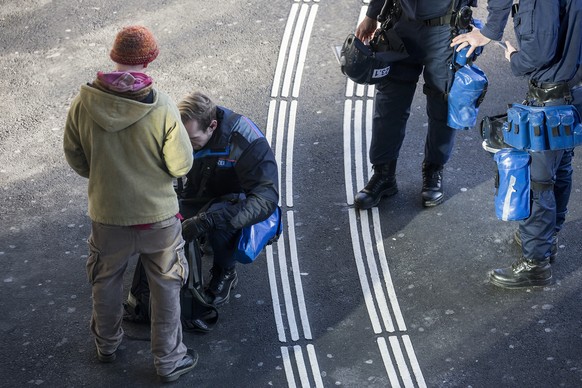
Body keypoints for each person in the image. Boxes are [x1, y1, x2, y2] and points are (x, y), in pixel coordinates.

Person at [63, 25, 198, 382]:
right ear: (150, 59)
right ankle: (168, 360)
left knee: (105, 281)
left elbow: (75, 157)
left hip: (108, 216)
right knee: (167, 285)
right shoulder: (163, 106)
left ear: (114, 56)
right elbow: (181, 164)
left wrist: (105, 174)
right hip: (158, 220)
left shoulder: (84, 102)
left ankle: (106, 345)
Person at [451, 0, 582, 288]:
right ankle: (547, 238)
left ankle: (535, 263)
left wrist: (515, 60)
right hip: (573, 90)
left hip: (551, 97)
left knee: (538, 183)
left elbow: (540, 51)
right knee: (560, 169)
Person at [353, 0, 477, 210]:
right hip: (401, 24)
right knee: (389, 105)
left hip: (446, 30)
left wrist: (490, 31)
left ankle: (433, 171)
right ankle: (383, 175)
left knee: (442, 105)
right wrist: (372, 14)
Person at [178, 91, 279, 306]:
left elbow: (266, 199)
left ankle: (225, 272)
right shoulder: (187, 130)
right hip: (203, 191)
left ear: (212, 126)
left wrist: (209, 220)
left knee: (219, 221)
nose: (186, 145)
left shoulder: (247, 140)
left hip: (237, 203)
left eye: (193, 140)